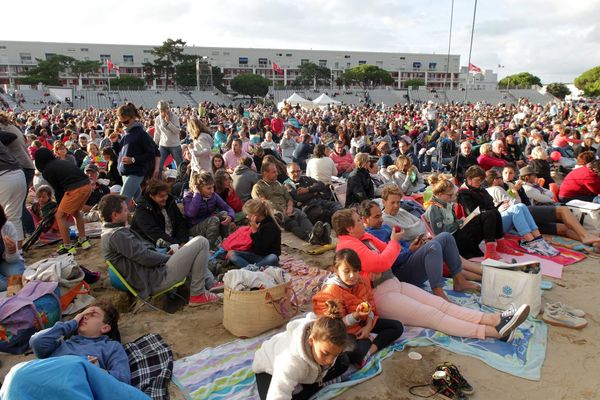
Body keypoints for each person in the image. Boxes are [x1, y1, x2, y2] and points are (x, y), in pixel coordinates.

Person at [332, 208, 530, 342]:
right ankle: (493, 332)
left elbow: (388, 259)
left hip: (394, 282)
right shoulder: (348, 246)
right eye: (359, 221)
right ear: (349, 228)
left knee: (441, 305)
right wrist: (390, 246)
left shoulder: (364, 237)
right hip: (380, 296)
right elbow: (383, 260)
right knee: (434, 315)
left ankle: (495, 319)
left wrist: (385, 256)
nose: (362, 224)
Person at [2, 300, 150, 400]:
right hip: (49, 380)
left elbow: (122, 379)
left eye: (93, 315)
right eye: (84, 314)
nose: (85, 317)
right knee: (16, 373)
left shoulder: (111, 346)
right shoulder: (63, 343)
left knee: (76, 365)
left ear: (105, 328)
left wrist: (99, 371)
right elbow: (37, 342)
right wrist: (72, 322)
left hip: (76, 380)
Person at [100, 194, 221, 305]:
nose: (128, 212)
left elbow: (142, 254)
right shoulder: (116, 236)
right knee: (201, 242)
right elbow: (145, 257)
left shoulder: (112, 233)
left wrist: (162, 254)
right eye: (125, 210)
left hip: (155, 273)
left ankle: (210, 284)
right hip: (156, 279)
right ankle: (198, 293)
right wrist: (169, 258)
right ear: (115, 215)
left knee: (190, 248)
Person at [361, 199, 480, 300]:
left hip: (407, 259)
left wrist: (413, 245)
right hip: (400, 272)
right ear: (364, 219)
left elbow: (402, 243)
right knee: (433, 247)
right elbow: (389, 261)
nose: (381, 219)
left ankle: (459, 280)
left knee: (446, 237)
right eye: (376, 217)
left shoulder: (385, 227)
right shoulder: (370, 238)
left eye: (380, 215)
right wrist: (410, 250)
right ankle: (438, 292)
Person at [312, 249, 404, 367]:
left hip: (364, 324)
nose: (352, 276)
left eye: (355, 271)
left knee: (397, 326)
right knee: (356, 355)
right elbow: (333, 325)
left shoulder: (361, 283)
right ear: (335, 270)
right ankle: (366, 348)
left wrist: (368, 326)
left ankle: (370, 350)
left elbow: (371, 306)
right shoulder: (330, 292)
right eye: (346, 271)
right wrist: (356, 316)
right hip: (345, 330)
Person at [252, 301, 351, 400]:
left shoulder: (323, 343)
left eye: (335, 355)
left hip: (303, 368)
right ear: (311, 341)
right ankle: (313, 385)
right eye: (325, 353)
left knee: (343, 362)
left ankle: (312, 384)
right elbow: (277, 395)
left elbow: (333, 355)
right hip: (268, 368)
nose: (330, 361)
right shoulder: (291, 361)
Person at [425, 174, 510, 261]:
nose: (451, 198)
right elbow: (440, 232)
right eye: (449, 195)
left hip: (456, 234)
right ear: (440, 194)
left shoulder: (445, 204)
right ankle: (491, 251)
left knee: (493, 212)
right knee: (488, 215)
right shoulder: (434, 208)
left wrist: (461, 222)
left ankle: (498, 245)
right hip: (452, 241)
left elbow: (452, 222)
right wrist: (459, 223)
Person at [483, 168, 559, 256]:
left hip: (497, 222)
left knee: (520, 207)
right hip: (497, 225)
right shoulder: (496, 189)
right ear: (495, 180)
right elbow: (516, 203)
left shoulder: (489, 190)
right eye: (500, 177)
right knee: (518, 207)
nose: (502, 179)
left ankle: (536, 239)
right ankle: (534, 240)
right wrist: (515, 192)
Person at [252, 161, 328, 245]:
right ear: (265, 173)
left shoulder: (279, 185)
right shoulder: (258, 187)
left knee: (301, 214)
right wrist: (281, 210)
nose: (277, 173)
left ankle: (315, 233)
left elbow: (289, 199)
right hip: (273, 212)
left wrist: (290, 208)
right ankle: (308, 237)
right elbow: (264, 203)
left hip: (286, 209)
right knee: (289, 221)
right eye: (274, 172)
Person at [34, 147, 92, 255]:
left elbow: (58, 189)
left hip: (75, 189)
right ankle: (83, 240)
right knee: (76, 212)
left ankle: (68, 246)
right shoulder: (59, 162)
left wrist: (58, 205)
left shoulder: (47, 170)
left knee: (60, 216)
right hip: (87, 185)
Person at [116, 103, 157, 203]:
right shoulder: (126, 132)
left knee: (122, 201)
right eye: (121, 122)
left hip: (135, 171)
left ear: (133, 118)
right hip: (125, 171)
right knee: (139, 200)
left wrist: (133, 159)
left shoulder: (141, 134)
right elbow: (122, 152)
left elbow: (151, 153)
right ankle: (148, 214)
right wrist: (114, 143)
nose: (124, 124)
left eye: (125, 121)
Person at [184, 171, 234, 250]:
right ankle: (208, 249)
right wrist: (197, 194)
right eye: (208, 188)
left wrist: (230, 216)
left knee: (224, 214)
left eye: (212, 187)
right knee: (214, 219)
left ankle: (226, 243)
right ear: (199, 188)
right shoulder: (189, 196)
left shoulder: (213, 195)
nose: (212, 191)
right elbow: (191, 214)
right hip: (193, 228)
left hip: (208, 223)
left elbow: (227, 207)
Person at [130, 179, 188, 246]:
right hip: (151, 246)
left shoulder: (169, 201)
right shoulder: (142, 210)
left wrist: (182, 241)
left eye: (166, 195)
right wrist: (176, 244)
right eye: (161, 196)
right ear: (151, 196)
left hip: (174, 241)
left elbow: (180, 221)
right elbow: (155, 233)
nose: (165, 198)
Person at [226, 199, 281, 268]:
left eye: (248, 215)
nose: (247, 217)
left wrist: (255, 231)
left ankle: (252, 269)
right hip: (256, 257)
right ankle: (253, 268)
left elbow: (260, 250)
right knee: (232, 254)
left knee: (273, 258)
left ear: (255, 215)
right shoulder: (257, 223)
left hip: (266, 257)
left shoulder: (270, 227)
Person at [154, 100, 182, 177]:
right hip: (163, 145)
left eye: (163, 109)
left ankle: (181, 182)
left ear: (167, 109)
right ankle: (158, 183)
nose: (161, 111)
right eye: (160, 110)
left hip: (175, 145)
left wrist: (168, 123)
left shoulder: (175, 117)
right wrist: (154, 144)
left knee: (180, 166)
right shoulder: (157, 119)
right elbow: (157, 132)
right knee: (159, 165)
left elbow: (177, 131)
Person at [0, 205, 25, 293]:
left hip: (5, 262)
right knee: (4, 285)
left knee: (17, 273)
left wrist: (12, 251)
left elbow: (13, 260)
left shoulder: (7, 227)